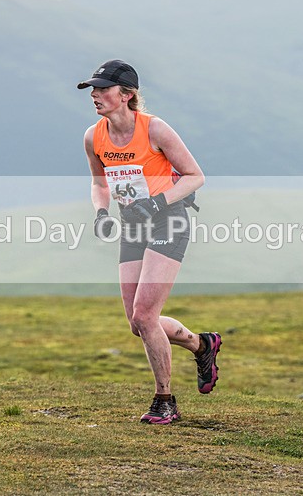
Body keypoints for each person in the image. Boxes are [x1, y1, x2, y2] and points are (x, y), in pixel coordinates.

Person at [78, 59, 221, 424]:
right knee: (138, 322)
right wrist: (101, 213)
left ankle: (165, 400)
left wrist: (156, 202)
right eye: (93, 89)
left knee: (145, 315)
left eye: (103, 89)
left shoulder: (155, 129)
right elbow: (100, 183)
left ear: (126, 95)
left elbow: (195, 176)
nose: (95, 95)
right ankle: (201, 345)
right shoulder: (94, 136)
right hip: (132, 227)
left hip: (168, 220)